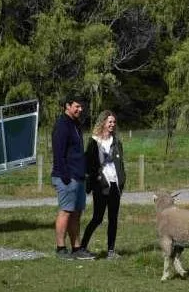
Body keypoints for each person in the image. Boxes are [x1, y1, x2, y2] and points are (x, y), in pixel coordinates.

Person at [79, 110, 126, 259]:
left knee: (113, 219)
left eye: (114, 122)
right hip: (101, 185)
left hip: (115, 184)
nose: (112, 124)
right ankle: (82, 247)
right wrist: (95, 179)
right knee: (97, 218)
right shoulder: (94, 141)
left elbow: (120, 163)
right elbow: (88, 164)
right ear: (103, 122)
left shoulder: (116, 142)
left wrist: (122, 180)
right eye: (110, 121)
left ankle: (111, 251)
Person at [51, 95, 94, 260]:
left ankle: (77, 248)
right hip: (67, 177)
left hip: (78, 176)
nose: (80, 109)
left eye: (81, 107)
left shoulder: (75, 124)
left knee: (76, 213)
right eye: (77, 106)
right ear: (67, 106)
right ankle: (60, 248)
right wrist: (65, 176)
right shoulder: (62, 125)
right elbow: (58, 153)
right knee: (65, 212)